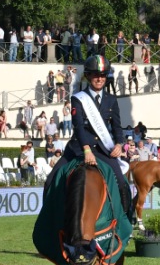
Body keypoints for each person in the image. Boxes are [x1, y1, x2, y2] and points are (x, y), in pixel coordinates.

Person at [45, 55, 131, 219]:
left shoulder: (112, 100)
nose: (99, 79)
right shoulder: (78, 98)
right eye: (96, 75)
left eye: (103, 75)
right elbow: (78, 126)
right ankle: (48, 220)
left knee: (121, 181)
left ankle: (125, 219)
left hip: (103, 149)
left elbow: (117, 126)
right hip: (79, 148)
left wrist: (119, 144)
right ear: (89, 75)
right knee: (50, 180)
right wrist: (86, 150)